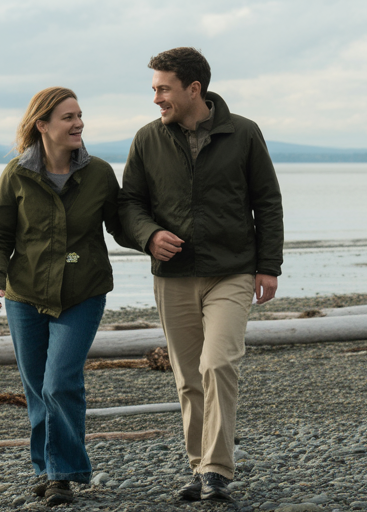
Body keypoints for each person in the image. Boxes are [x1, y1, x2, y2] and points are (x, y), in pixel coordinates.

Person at [118, 47, 284, 503]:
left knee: (218, 363)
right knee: (189, 376)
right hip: (174, 275)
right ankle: (200, 467)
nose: (156, 99)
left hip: (231, 270)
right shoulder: (147, 139)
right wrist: (149, 236)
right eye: (154, 89)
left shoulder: (244, 133)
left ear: (194, 89)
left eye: (163, 88)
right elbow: (127, 204)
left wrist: (269, 265)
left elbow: (266, 200)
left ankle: (216, 469)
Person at [0, 86, 128, 506]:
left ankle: (62, 473)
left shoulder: (98, 172)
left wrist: (155, 237)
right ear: (41, 125)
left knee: (59, 381)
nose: (78, 123)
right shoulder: (16, 174)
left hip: (82, 292)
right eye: (68, 117)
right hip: (25, 295)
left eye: (80, 115)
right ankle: (47, 469)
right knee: (36, 388)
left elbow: (121, 224)